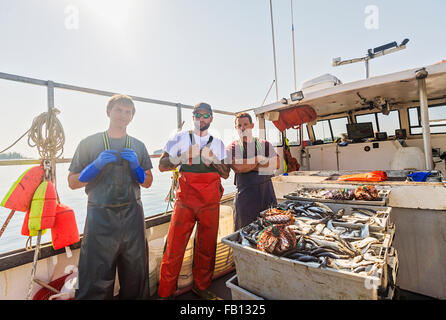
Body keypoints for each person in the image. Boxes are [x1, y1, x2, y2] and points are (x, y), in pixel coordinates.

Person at [68, 94, 153, 300]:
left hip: (133, 217)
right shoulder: (89, 143)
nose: (123, 115)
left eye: (128, 112)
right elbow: (72, 183)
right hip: (100, 218)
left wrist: (136, 166)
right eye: (118, 110)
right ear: (108, 112)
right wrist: (94, 166)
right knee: (94, 280)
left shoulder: (138, 146)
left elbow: (148, 181)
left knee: (136, 277)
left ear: (132, 117)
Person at [157, 102, 230, 300]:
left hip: (210, 203)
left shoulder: (217, 143)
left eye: (206, 115)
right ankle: (165, 292)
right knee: (174, 248)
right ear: (193, 117)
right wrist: (182, 157)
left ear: (211, 118)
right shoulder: (179, 138)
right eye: (198, 114)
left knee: (207, 248)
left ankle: (202, 286)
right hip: (185, 202)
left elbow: (226, 173)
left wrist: (213, 159)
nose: (201, 118)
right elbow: (162, 165)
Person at [227, 112, 280, 231]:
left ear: (252, 125)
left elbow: (276, 164)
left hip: (267, 195)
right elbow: (238, 167)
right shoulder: (233, 147)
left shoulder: (265, 144)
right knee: (245, 233)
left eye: (245, 124)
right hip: (245, 200)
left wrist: (248, 164)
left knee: (272, 231)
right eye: (239, 125)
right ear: (236, 128)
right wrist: (259, 159)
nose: (243, 128)